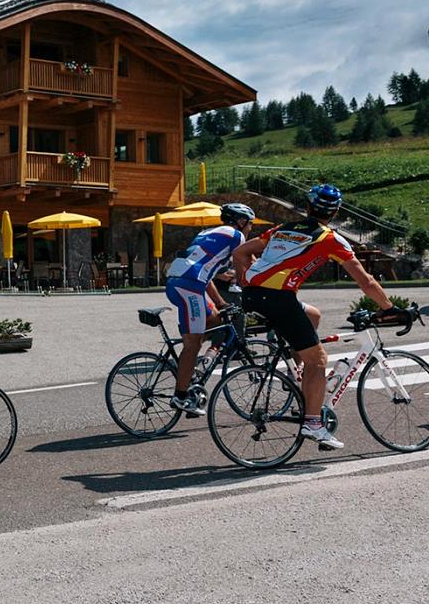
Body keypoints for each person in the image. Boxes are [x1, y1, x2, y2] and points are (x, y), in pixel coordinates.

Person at [232, 184, 408, 449]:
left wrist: (247, 284)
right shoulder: (329, 238)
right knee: (319, 360)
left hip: (253, 295)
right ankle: (313, 423)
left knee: (313, 314)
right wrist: (388, 307)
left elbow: (240, 252)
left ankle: (298, 366)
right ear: (335, 211)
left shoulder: (282, 229)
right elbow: (366, 280)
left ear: (307, 207)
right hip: (279, 299)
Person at [165, 202, 256, 414]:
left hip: (184, 283)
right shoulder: (236, 236)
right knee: (193, 344)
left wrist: (221, 303)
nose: (250, 229)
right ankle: (180, 396)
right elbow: (251, 263)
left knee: (218, 320)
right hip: (189, 288)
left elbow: (205, 273)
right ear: (242, 222)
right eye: (250, 225)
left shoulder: (207, 233)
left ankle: (190, 370)